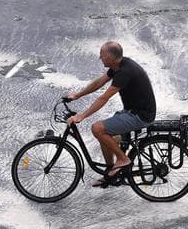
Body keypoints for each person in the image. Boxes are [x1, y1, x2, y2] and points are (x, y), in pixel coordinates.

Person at [65, 41, 156, 187]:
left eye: (102, 55)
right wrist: (78, 95)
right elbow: (99, 82)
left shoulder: (125, 72)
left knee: (97, 128)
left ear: (110, 57)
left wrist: (81, 116)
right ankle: (111, 172)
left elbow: (104, 98)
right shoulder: (118, 65)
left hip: (140, 116)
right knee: (105, 135)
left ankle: (123, 159)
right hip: (131, 111)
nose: (100, 58)